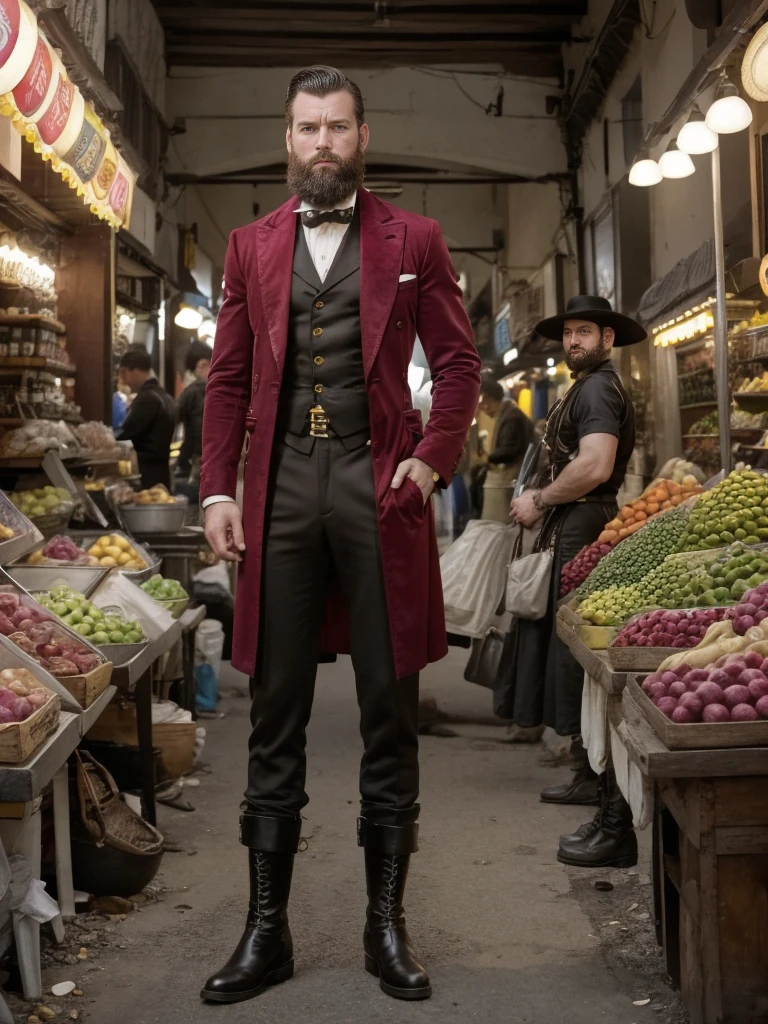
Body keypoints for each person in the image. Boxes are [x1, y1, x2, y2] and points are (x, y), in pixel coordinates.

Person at [199, 65, 481, 1005]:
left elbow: (456, 361)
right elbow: (229, 383)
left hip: (378, 485)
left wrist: (434, 459)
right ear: (287, 139)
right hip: (278, 487)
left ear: (362, 137)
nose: (322, 142)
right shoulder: (248, 247)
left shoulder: (418, 239)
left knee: (388, 710)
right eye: (307, 128)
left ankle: (385, 927)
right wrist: (215, 494)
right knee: (272, 711)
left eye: (337, 127)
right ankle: (265, 932)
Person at [508, 295, 645, 869]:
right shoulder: (585, 387)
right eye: (569, 333)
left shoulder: (597, 389)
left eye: (585, 333)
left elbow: (594, 464)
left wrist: (539, 498)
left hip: (581, 519)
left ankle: (596, 778)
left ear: (607, 339)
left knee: (576, 650)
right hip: (573, 520)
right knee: (564, 643)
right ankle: (586, 769)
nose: (574, 343)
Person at [116, 348, 176, 489]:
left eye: (123, 372)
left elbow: (126, 433)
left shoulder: (148, 398)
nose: (123, 380)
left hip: (147, 477)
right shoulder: (165, 396)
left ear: (135, 370)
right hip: (162, 475)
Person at [477, 380, 533, 522]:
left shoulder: (511, 416)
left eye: (482, 402)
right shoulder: (508, 413)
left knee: (499, 525)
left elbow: (508, 450)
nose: (482, 407)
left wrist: (488, 458)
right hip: (512, 477)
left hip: (508, 480)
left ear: (489, 399)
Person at [176, 343, 212, 483]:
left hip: (197, 463)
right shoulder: (228, 390)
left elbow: (173, 420)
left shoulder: (192, 392)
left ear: (202, 365)